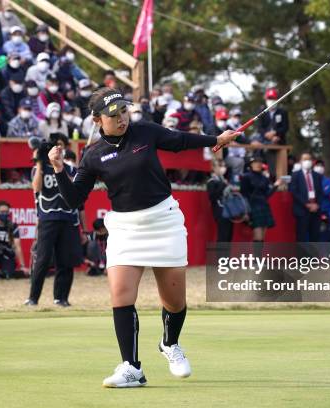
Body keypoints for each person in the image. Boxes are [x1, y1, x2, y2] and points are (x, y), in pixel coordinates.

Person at [47, 87, 241, 387]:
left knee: (174, 301)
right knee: (121, 295)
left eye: (124, 111)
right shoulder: (93, 155)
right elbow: (74, 199)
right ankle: (132, 368)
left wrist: (217, 139)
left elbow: (180, 140)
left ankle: (170, 344)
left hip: (164, 220)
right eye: (113, 115)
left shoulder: (145, 132)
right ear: (98, 120)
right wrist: (60, 169)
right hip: (126, 228)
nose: (122, 118)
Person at [25, 133, 83, 307]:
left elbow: (76, 189)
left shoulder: (69, 168)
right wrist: (40, 162)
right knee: (42, 259)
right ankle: (33, 298)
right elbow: (36, 188)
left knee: (66, 260)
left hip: (67, 218)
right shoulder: (38, 169)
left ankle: (61, 298)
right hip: (47, 218)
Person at [289, 152, 324, 242]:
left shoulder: (317, 176)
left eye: (309, 159)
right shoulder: (295, 175)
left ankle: (314, 256)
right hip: (302, 211)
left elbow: (320, 192)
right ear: (300, 161)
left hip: (315, 211)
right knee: (301, 237)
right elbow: (294, 191)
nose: (307, 161)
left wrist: (317, 205)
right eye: (305, 159)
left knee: (315, 237)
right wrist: (306, 204)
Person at [207, 159, 233, 242]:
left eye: (224, 166)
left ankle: (226, 255)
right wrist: (222, 186)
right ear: (213, 168)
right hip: (220, 211)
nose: (223, 168)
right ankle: (221, 255)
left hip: (229, 211)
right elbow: (212, 197)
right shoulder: (211, 181)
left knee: (228, 237)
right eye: (220, 166)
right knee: (223, 236)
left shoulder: (224, 180)